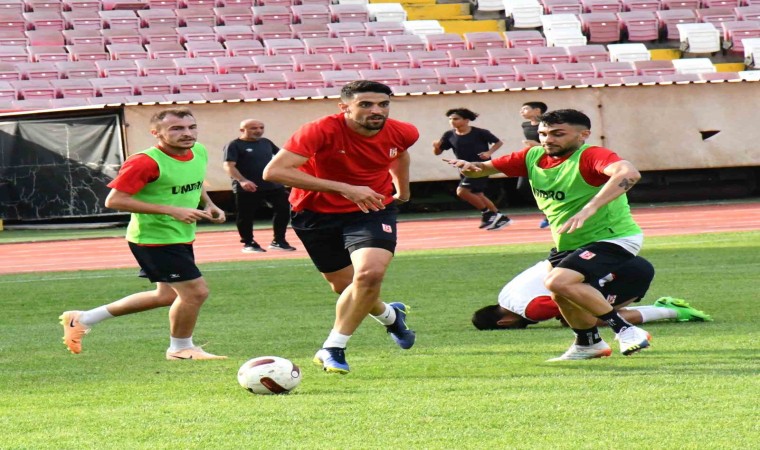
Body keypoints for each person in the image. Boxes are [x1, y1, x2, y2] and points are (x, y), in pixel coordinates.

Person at [445, 109, 653, 360]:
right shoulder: (533, 156)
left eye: (557, 134)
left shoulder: (591, 155)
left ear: (583, 135)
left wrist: (591, 207)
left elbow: (629, 173)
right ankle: (588, 344)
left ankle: (625, 329)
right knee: (560, 294)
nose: (547, 139)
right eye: (543, 133)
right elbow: (482, 170)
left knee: (558, 282)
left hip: (612, 237)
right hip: (569, 242)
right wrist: (470, 168)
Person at [263, 80, 419, 374]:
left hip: (372, 208)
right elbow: (274, 171)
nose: (377, 110)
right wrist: (346, 188)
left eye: (383, 104)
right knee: (345, 286)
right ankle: (390, 316)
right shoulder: (319, 130)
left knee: (369, 275)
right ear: (344, 107)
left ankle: (333, 347)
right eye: (366, 104)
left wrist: (403, 190)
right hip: (314, 213)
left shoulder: (404, 131)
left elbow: (398, 153)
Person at [59, 108, 227, 361]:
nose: (187, 133)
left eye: (191, 127)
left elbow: (195, 181)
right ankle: (180, 349)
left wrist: (209, 203)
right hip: (154, 238)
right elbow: (114, 200)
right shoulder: (145, 162)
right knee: (195, 292)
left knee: (166, 296)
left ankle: (83, 319)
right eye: (176, 129)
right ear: (156, 133)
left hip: (179, 235)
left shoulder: (198, 151)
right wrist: (172, 210)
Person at [472, 257, 712, 333]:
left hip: (626, 273)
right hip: (610, 262)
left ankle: (670, 310)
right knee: (575, 316)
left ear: (504, 323)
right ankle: (664, 307)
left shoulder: (531, 310)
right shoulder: (506, 295)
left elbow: (578, 305)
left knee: (589, 320)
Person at [223, 119, 295, 253]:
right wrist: (242, 180)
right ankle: (248, 242)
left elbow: (282, 157)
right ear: (242, 130)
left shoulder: (266, 142)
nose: (258, 130)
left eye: (261, 127)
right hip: (248, 187)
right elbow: (229, 166)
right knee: (246, 215)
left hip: (272, 185)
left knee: (284, 208)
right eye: (253, 128)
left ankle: (279, 241)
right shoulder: (234, 145)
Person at [433, 108, 511, 231]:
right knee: (477, 194)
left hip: (480, 167)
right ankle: (500, 217)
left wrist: (488, 152)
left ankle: (487, 213)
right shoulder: (449, 135)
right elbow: (438, 152)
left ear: (466, 120)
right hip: (464, 168)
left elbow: (498, 142)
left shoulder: (480, 132)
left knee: (462, 191)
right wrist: (436, 147)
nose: (452, 121)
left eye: (456, 119)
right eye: (450, 119)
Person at [519, 101, 550, 229]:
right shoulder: (525, 125)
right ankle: (548, 212)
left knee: (548, 188)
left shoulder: (548, 124)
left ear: (537, 110)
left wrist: (536, 144)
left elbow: (552, 143)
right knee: (523, 187)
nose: (521, 112)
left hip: (548, 159)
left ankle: (550, 215)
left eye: (525, 109)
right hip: (532, 159)